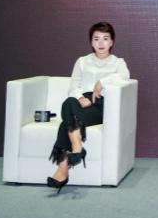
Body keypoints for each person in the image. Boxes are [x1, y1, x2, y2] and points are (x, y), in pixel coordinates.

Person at [47, 22, 130, 192]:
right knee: (69, 102)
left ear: (111, 42)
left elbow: (125, 76)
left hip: (102, 105)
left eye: (105, 38)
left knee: (66, 123)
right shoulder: (82, 61)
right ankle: (77, 147)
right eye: (96, 39)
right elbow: (73, 86)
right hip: (81, 102)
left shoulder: (118, 63)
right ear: (91, 42)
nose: (101, 43)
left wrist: (102, 82)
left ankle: (63, 167)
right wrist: (80, 98)